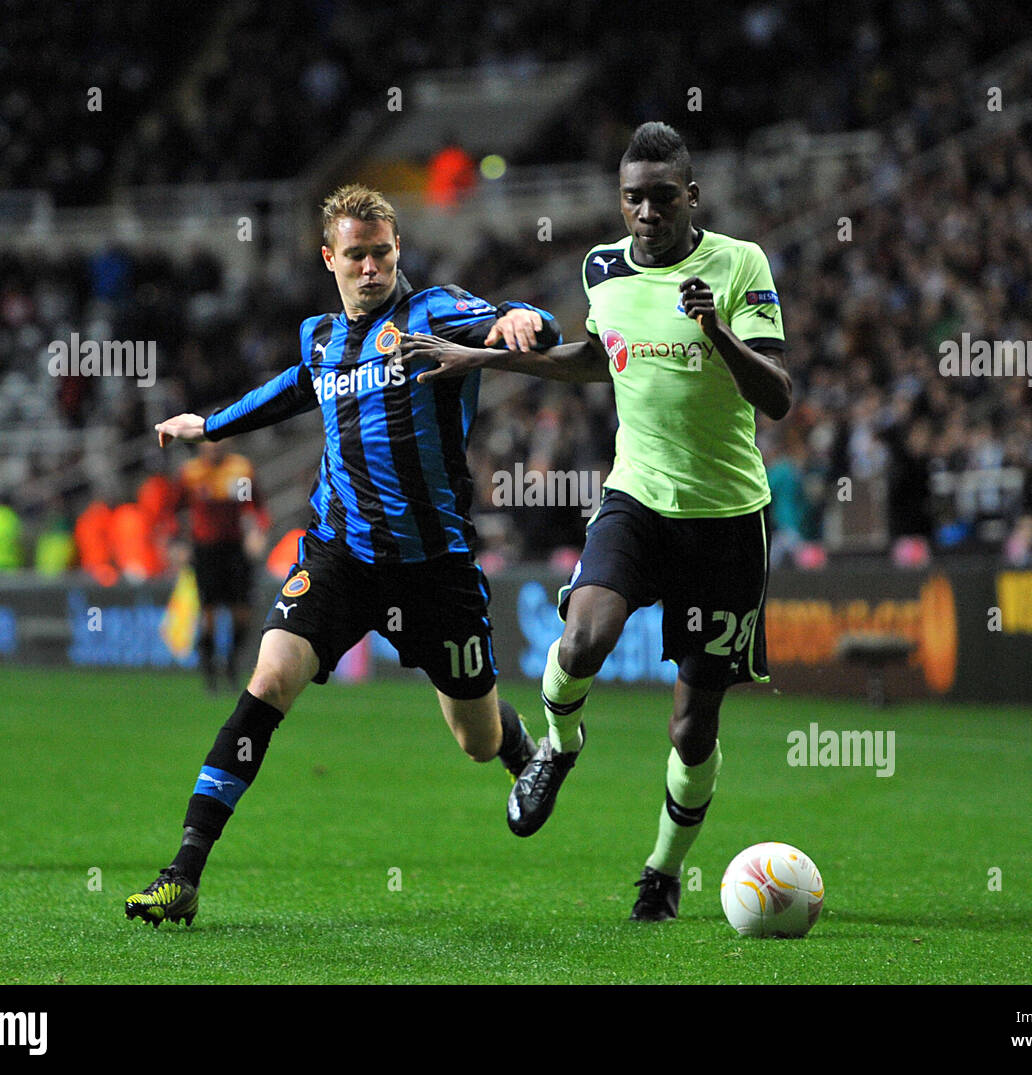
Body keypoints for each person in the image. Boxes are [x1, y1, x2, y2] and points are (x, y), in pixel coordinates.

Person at [125, 183, 561, 927]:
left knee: (475, 737)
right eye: (354, 255)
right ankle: (184, 873)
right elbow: (298, 387)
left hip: (435, 568)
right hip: (339, 557)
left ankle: (525, 746)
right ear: (329, 257)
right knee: (268, 680)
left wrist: (526, 318)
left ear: (398, 252)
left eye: (382, 252)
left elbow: (528, 326)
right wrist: (213, 424)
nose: (370, 267)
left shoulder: (437, 312)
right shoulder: (319, 337)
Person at [400, 122, 792, 922]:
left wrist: (715, 329)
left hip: (726, 520)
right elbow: (595, 355)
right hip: (636, 498)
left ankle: (662, 868)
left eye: (660, 197)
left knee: (692, 725)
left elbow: (779, 395)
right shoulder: (602, 267)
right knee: (581, 639)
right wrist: (486, 359)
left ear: (692, 196)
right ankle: (558, 746)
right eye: (631, 198)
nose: (645, 212)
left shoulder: (740, 264)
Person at [175, 440, 269, 690]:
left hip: (235, 550)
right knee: (209, 616)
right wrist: (178, 544)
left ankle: (231, 662)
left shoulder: (239, 469)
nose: (213, 448)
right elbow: (176, 511)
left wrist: (256, 533)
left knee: (242, 615)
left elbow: (252, 505)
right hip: (205, 550)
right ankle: (209, 671)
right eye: (208, 444)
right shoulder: (191, 473)